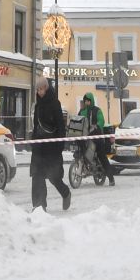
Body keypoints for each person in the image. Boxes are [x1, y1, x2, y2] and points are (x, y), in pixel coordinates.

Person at [29, 78, 71, 212]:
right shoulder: (37, 106)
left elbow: (60, 126)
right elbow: (36, 126)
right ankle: (39, 205)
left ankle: (66, 193)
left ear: (46, 88)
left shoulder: (55, 104)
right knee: (37, 175)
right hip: (39, 147)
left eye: (41, 89)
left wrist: (60, 144)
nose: (39, 92)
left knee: (54, 177)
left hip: (52, 147)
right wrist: (33, 140)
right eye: (37, 89)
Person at [78, 91, 114, 185]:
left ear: (92, 101)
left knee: (102, 157)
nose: (86, 103)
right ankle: (85, 165)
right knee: (80, 149)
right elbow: (78, 120)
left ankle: (111, 178)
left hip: (97, 137)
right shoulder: (82, 111)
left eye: (88, 101)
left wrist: (97, 126)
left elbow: (101, 120)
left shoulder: (97, 110)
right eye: (85, 101)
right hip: (85, 137)